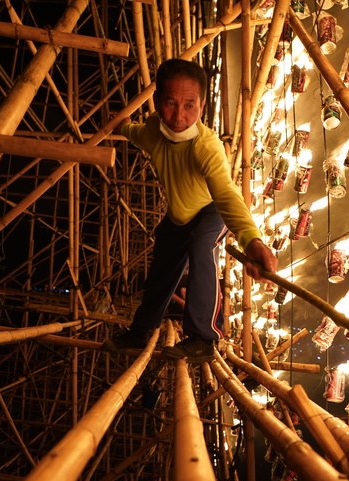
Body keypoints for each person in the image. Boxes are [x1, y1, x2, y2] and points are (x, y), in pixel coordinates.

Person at [103, 59, 277, 362]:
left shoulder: (205, 146)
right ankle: (139, 330)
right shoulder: (153, 132)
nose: (179, 116)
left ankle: (205, 337)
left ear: (202, 106)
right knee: (161, 271)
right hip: (179, 215)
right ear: (157, 101)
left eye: (190, 105)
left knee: (201, 246)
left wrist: (252, 240)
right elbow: (131, 130)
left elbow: (225, 193)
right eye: (170, 103)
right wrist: (119, 124)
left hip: (212, 210)